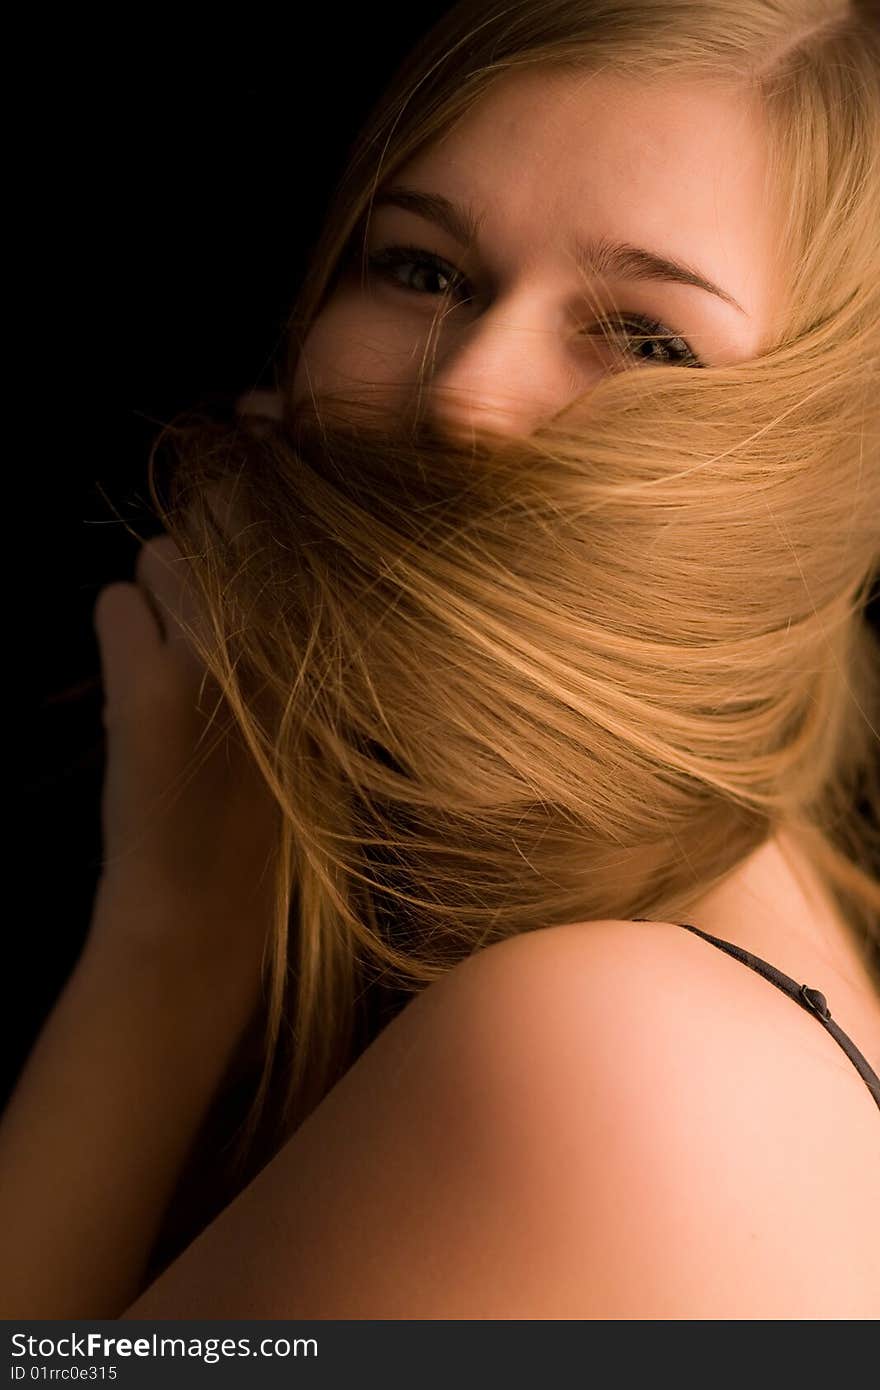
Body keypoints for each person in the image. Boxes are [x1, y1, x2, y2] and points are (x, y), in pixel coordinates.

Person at [2, 0, 879, 1320]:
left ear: (826, 470)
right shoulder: (712, 980)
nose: (466, 389)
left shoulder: (602, 1050)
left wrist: (166, 945)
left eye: (645, 337)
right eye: (422, 271)